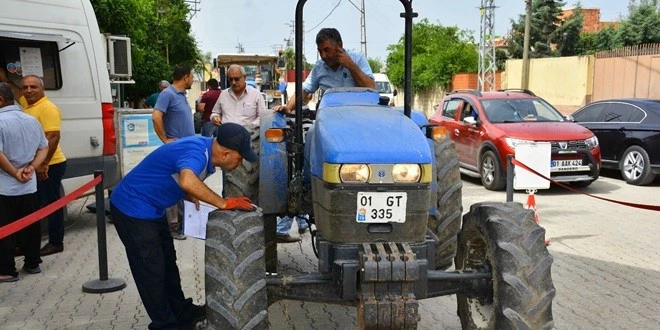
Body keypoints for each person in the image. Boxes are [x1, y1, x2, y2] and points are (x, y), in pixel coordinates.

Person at [110, 123, 258, 329]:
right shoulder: (198, 153)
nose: (241, 162)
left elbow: (179, 173)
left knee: (168, 264)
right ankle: (165, 324)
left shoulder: (205, 148)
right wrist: (223, 203)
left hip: (152, 209)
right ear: (225, 154)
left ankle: (182, 312)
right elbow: (187, 180)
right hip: (132, 210)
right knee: (151, 270)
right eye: (240, 157)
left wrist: (190, 194)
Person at [0, 71, 69, 256]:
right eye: (25, 87)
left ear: (42, 89)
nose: (29, 90)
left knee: (50, 204)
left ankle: (56, 242)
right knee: (33, 205)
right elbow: (18, 95)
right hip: (36, 164)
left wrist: (44, 163)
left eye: (34, 87)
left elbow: (53, 137)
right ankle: (26, 245)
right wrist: (7, 80)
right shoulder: (27, 105)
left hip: (51, 164)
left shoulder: (47, 108)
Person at [0, 82, 49, 282]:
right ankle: (32, 263)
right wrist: (32, 167)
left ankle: (6, 270)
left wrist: (13, 172)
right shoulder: (31, 120)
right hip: (29, 184)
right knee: (30, 226)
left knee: (4, 230)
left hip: (4, 187)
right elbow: (43, 147)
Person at [272, 27, 375, 114]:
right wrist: (288, 108)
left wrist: (350, 65)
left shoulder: (358, 60)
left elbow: (371, 88)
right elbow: (304, 91)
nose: (323, 56)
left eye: (327, 50)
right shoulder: (319, 67)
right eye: (320, 51)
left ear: (339, 46)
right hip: (330, 118)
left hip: (357, 115)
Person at [152, 64, 195, 240]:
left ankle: (185, 224)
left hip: (185, 149)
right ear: (185, 77)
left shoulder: (182, 95)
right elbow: (156, 116)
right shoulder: (167, 94)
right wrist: (165, 139)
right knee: (172, 187)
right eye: (191, 76)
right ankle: (172, 227)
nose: (193, 79)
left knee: (183, 186)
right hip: (176, 150)